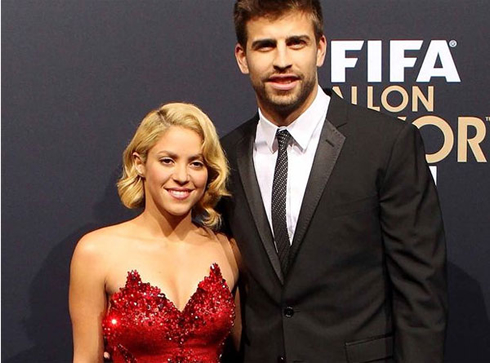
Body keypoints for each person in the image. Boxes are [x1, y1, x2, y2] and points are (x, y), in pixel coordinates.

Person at [219, 0, 448, 362]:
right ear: (242, 57)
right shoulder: (224, 156)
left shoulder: (386, 143)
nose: (282, 60)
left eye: (296, 43)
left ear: (320, 49)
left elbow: (421, 294)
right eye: (265, 45)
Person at [69, 102, 240, 363]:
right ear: (139, 163)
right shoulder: (96, 253)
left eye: (196, 163)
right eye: (167, 161)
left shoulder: (227, 250)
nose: (182, 176)